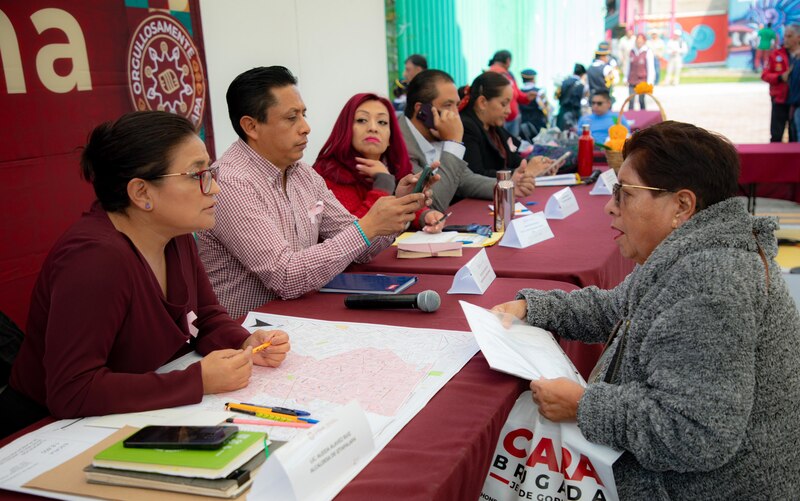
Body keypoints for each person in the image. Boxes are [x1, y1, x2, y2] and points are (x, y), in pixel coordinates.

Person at [492, 120, 800, 498]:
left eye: (624, 193)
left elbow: (696, 433)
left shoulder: (710, 281)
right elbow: (615, 308)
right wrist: (534, 309)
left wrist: (584, 405)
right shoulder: (690, 253)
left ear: (682, 205)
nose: (609, 207)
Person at [0, 111, 292, 439]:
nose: (215, 188)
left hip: (127, 409)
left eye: (210, 172)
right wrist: (197, 381)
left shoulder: (175, 232)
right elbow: (72, 391)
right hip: (45, 432)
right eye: (198, 174)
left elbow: (206, 318)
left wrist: (244, 341)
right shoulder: (94, 259)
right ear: (141, 194)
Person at [197, 66, 427, 318]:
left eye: (304, 114)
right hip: (249, 335)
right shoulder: (232, 183)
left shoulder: (303, 173)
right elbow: (286, 277)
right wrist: (367, 227)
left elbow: (363, 250)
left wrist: (401, 205)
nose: (306, 127)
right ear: (251, 126)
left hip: (301, 319)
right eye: (291, 117)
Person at [398, 69, 536, 212]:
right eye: (447, 105)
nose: (456, 115)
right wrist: (453, 143)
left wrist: (509, 185)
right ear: (421, 111)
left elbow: (465, 180)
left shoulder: (435, 133)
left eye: (456, 106)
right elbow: (434, 204)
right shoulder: (401, 143)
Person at [313, 92, 445, 231]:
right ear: (347, 129)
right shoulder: (330, 174)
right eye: (362, 120)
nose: (373, 128)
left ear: (390, 137)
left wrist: (424, 215)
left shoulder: (393, 165)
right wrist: (383, 185)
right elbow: (351, 235)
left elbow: (399, 205)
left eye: (382, 122)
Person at [460, 71, 555, 178]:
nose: (509, 111)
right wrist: (525, 171)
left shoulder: (495, 129)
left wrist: (538, 166)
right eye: (504, 104)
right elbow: (476, 176)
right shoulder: (467, 128)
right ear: (482, 102)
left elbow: (514, 159)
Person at [761, 24, 799, 142]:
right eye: (785, 36)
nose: (785, 39)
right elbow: (765, 75)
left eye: (789, 36)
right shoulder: (776, 54)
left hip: (796, 103)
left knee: (795, 136)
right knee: (776, 135)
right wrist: (779, 77)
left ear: (798, 38)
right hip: (780, 100)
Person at [487, 50, 532, 137]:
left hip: (512, 119)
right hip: (501, 120)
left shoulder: (507, 74)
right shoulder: (493, 75)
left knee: (511, 146)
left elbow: (516, 93)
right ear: (508, 60)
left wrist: (526, 97)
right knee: (506, 146)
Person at [625, 34, 655, 110]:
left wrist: (649, 82)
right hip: (632, 79)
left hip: (642, 79)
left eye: (641, 41)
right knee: (631, 100)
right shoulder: (632, 51)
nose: (639, 43)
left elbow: (650, 68)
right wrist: (625, 78)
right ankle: (630, 117)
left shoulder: (647, 52)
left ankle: (643, 117)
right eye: (638, 41)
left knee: (641, 100)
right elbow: (628, 66)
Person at [518, 68, 549, 138]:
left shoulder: (519, 92)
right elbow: (545, 109)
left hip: (523, 124)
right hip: (537, 124)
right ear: (533, 79)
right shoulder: (539, 92)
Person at [555, 63, 587, 131]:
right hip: (575, 113)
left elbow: (556, 96)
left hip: (562, 111)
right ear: (582, 74)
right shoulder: (582, 85)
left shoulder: (563, 82)